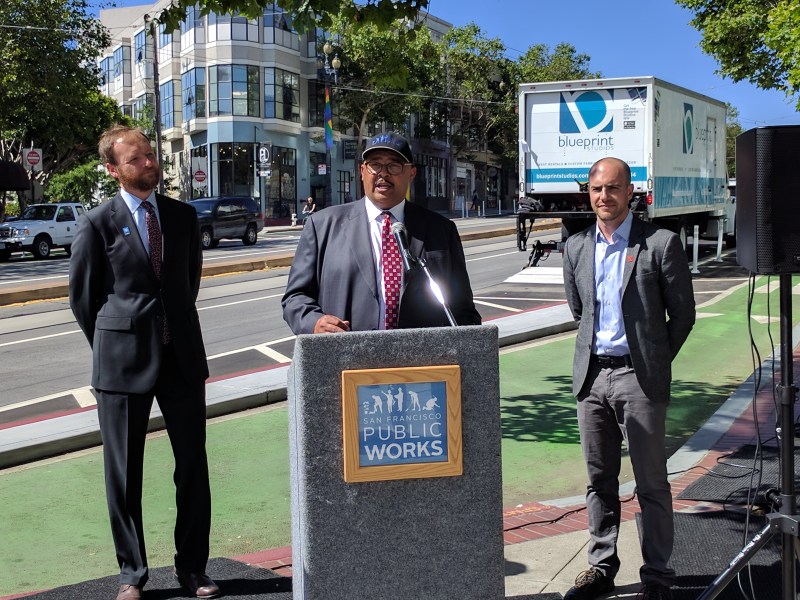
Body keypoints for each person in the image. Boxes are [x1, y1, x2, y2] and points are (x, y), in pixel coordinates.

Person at [69, 125, 218, 600]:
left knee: (192, 467)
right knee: (123, 473)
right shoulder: (98, 223)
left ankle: (193, 568)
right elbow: (84, 299)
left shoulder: (182, 217)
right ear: (113, 169)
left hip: (181, 358)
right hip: (121, 366)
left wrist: (165, 330)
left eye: (150, 155)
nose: (149, 163)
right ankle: (131, 574)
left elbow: (186, 285)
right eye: (136, 159)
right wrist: (117, 342)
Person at [561, 157, 695, 600]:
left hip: (639, 379)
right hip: (592, 377)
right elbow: (580, 313)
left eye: (613, 188)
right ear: (589, 193)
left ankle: (657, 574)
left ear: (630, 191)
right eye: (597, 189)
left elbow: (683, 315)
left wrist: (652, 360)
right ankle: (602, 566)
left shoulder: (660, 243)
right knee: (599, 480)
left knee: (651, 481)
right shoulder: (577, 247)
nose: (604, 197)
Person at [282, 131, 481, 333]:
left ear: (411, 173)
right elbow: (295, 298)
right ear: (362, 171)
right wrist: (314, 322)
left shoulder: (442, 230)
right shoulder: (321, 226)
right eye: (374, 165)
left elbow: (463, 310)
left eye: (394, 165)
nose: (383, 173)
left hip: (421, 360)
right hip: (346, 358)